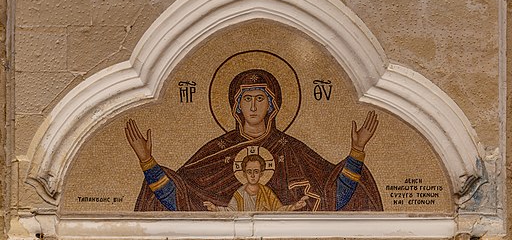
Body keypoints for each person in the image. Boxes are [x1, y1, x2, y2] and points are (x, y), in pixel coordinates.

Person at [126, 69, 383, 211]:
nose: (253, 106)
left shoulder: (291, 149)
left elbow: (331, 196)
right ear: (236, 106)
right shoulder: (217, 150)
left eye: (260, 98)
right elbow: (183, 199)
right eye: (246, 99)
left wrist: (357, 151)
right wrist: (148, 161)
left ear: (272, 105)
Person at [203, 154, 308, 212]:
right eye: (249, 172)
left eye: (256, 171)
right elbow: (230, 211)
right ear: (244, 174)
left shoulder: (266, 192)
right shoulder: (240, 194)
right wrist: (215, 209)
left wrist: (294, 206)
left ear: (261, 173)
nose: (252, 175)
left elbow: (278, 210)